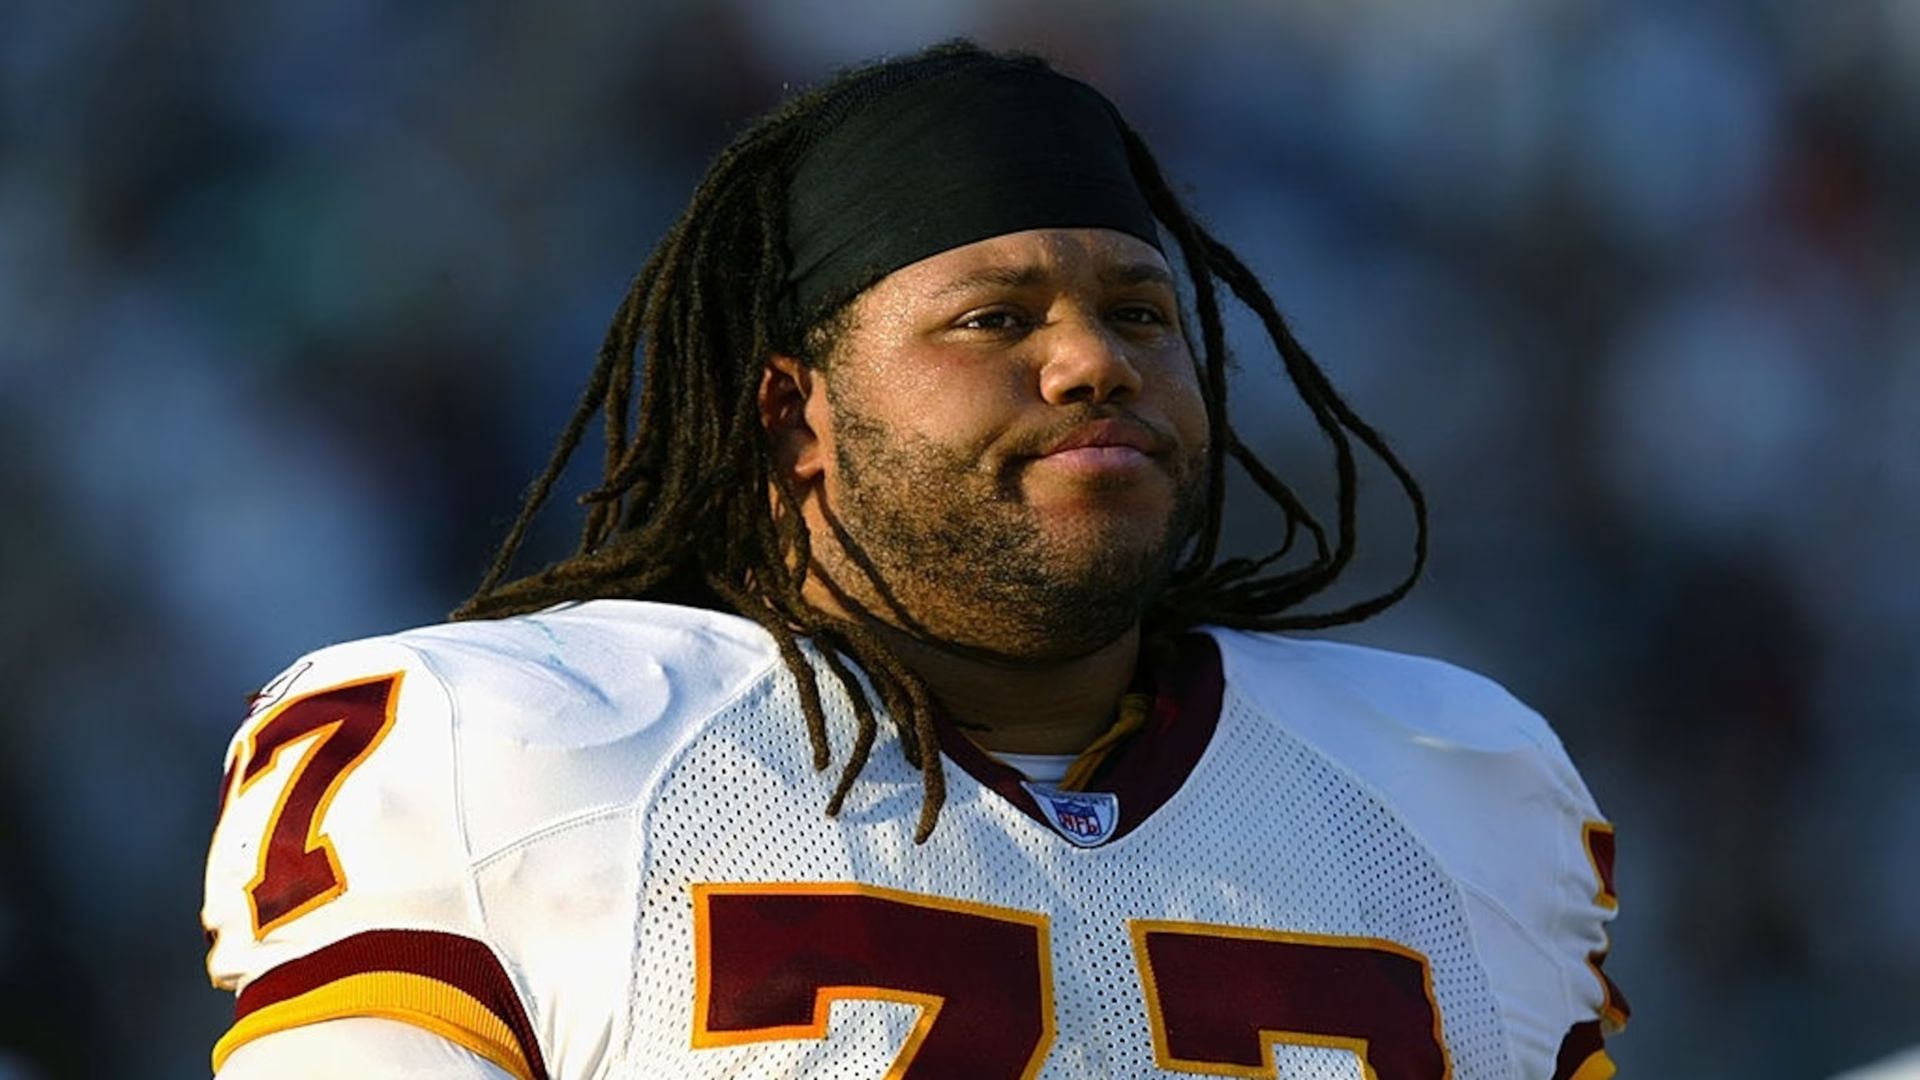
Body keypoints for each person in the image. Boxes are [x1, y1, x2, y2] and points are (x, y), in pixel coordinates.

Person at [201, 40, 1626, 1079]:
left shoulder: (1452, 785)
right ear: (795, 415)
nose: (1091, 364)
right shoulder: (513, 748)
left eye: (1140, 315)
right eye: (994, 321)